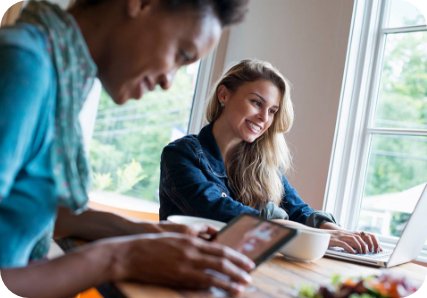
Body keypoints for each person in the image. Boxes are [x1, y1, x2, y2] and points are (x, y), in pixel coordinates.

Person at [0, 0, 256, 297]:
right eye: (181, 54)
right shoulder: (24, 67)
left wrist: (147, 233)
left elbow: (36, 210)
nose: (168, 82)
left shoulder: (56, 74)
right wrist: (120, 257)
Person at [159, 59, 383, 255]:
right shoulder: (180, 154)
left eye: (272, 111)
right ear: (224, 94)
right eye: (256, 103)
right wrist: (312, 236)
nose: (264, 118)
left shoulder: (263, 163)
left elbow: (297, 210)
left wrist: (339, 233)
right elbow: (215, 210)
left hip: (238, 270)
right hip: (182, 271)